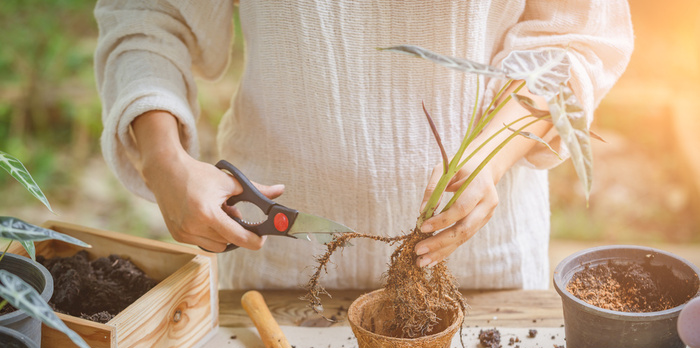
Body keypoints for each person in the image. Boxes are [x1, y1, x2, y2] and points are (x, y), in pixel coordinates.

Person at [94, 1, 634, 291]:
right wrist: (164, 160)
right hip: (277, 273)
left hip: (481, 274)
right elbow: (149, 16)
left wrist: (493, 151)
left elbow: (577, 35)